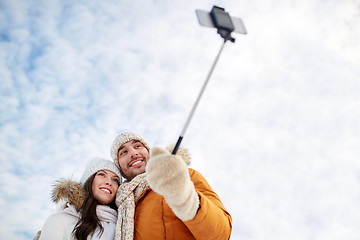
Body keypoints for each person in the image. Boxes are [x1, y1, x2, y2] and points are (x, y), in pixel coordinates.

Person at [111, 132, 232, 240]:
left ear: (148, 151)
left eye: (137, 146)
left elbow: (220, 234)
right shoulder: (119, 204)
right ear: (120, 168)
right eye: (124, 152)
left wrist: (184, 196)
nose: (133, 153)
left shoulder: (185, 175)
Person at [36, 157, 122, 240]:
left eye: (115, 180)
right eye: (102, 174)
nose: (109, 182)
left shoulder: (123, 226)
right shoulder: (60, 220)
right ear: (89, 180)